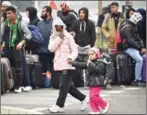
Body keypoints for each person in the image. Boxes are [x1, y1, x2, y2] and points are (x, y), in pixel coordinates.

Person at [48, 17, 87, 113]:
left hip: (68, 64)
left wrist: (71, 58)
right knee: (67, 86)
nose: (58, 28)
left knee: (62, 85)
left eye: (59, 26)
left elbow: (75, 51)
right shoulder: (53, 37)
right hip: (58, 65)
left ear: (62, 26)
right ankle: (82, 98)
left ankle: (59, 105)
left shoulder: (69, 36)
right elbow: (51, 49)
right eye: (56, 27)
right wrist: (59, 38)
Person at [1, 6, 32, 93]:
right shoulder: (4, 25)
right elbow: (1, 37)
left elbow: (29, 34)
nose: (8, 15)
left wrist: (22, 43)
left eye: (10, 13)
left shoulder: (20, 24)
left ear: (15, 13)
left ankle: (19, 86)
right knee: (7, 68)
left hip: (17, 48)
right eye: (7, 13)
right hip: (7, 49)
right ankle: (8, 86)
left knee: (19, 68)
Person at [71, 47, 109, 114]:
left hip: (97, 82)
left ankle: (105, 104)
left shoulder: (100, 62)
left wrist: (90, 64)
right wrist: (72, 63)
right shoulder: (89, 62)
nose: (90, 56)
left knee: (94, 96)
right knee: (91, 97)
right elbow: (81, 64)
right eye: (89, 54)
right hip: (91, 82)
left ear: (96, 54)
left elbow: (99, 70)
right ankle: (96, 110)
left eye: (92, 54)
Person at [71, 7, 96, 86]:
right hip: (77, 47)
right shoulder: (76, 22)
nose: (81, 14)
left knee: (87, 66)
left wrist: (91, 46)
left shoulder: (91, 23)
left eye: (83, 13)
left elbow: (93, 36)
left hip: (87, 47)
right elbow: (73, 33)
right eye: (80, 12)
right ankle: (79, 82)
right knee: (78, 67)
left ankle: (88, 82)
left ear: (86, 14)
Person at [119, 12, 146, 87]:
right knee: (139, 60)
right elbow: (130, 40)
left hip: (132, 47)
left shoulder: (131, 26)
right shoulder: (127, 27)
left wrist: (142, 47)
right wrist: (140, 48)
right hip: (128, 48)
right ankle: (137, 80)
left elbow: (138, 38)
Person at [37, 6, 54, 83]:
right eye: (42, 11)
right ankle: (44, 83)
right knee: (43, 69)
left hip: (52, 50)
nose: (42, 13)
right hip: (42, 50)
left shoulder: (55, 22)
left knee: (53, 68)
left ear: (48, 12)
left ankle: (53, 82)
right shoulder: (39, 23)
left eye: (43, 11)